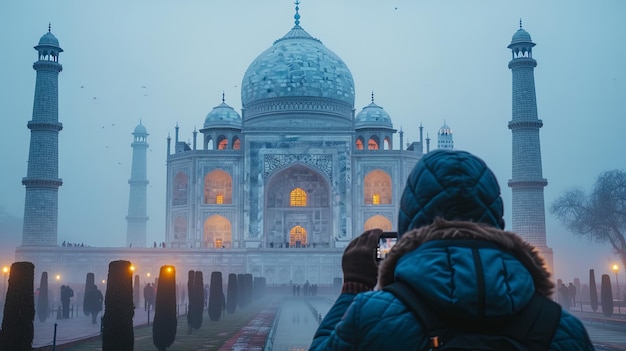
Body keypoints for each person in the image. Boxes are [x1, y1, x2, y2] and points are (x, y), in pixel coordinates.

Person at [310, 149, 594, 350]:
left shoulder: (371, 317)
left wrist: (354, 288)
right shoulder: (561, 328)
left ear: (407, 222)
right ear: (498, 224)